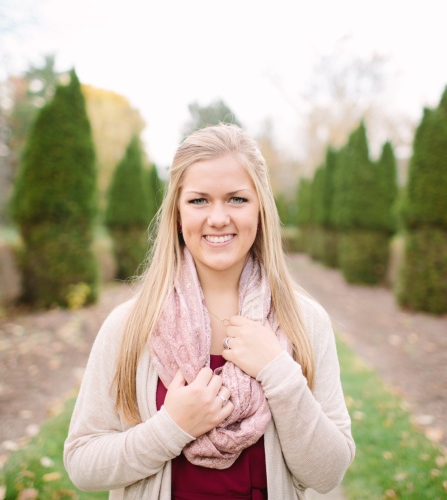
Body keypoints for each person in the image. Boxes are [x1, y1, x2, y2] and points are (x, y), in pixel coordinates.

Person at [64, 123, 355, 499]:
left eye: (237, 199)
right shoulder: (130, 326)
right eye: (199, 200)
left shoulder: (304, 322)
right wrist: (171, 427)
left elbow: (329, 472)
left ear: (261, 209)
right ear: (177, 213)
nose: (218, 218)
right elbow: (82, 462)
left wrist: (280, 374)